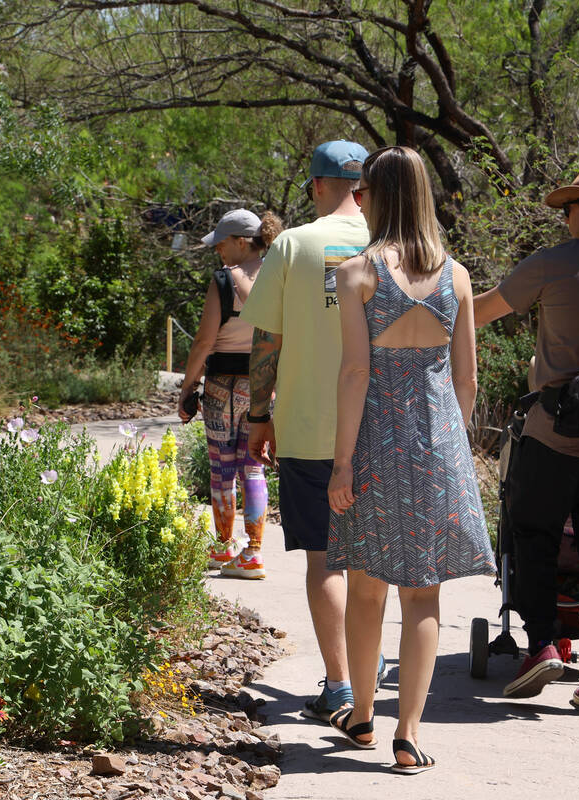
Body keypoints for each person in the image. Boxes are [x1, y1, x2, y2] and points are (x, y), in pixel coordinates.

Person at [326, 145, 496, 774]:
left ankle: (363, 717)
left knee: (367, 589)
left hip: (375, 442)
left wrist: (342, 463)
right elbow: (467, 380)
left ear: (374, 195)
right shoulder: (455, 276)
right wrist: (453, 445)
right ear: (424, 195)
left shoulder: (355, 275)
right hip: (439, 444)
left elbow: (354, 373)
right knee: (423, 598)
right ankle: (408, 737)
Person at [242, 139, 388, 722]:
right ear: (365, 189)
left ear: (318, 185)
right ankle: (368, 664)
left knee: (325, 559)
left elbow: (266, 340)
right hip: (382, 428)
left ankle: (341, 685)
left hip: (308, 427)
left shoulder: (293, 245)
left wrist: (258, 415)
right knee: (373, 562)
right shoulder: (393, 249)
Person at [472, 162, 579, 715]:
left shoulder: (552, 265)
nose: (566, 218)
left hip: (553, 437)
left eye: (571, 207)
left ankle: (542, 645)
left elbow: (478, 312)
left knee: (533, 535)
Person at [178, 208, 284, 579]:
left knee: (222, 471)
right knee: (253, 468)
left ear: (241, 242)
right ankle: (253, 552)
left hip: (222, 386)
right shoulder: (278, 277)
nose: (219, 252)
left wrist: (188, 386)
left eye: (222, 244)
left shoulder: (224, 281)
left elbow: (205, 341)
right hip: (263, 388)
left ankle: (224, 547)